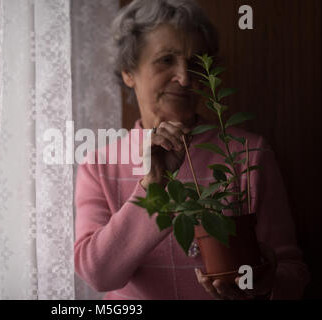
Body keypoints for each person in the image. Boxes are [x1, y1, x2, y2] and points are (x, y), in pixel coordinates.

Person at [74, 0, 310, 300]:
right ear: (128, 72)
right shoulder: (100, 165)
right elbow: (98, 274)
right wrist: (153, 189)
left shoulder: (247, 153)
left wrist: (264, 287)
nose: (185, 78)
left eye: (196, 63)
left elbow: (292, 270)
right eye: (165, 60)